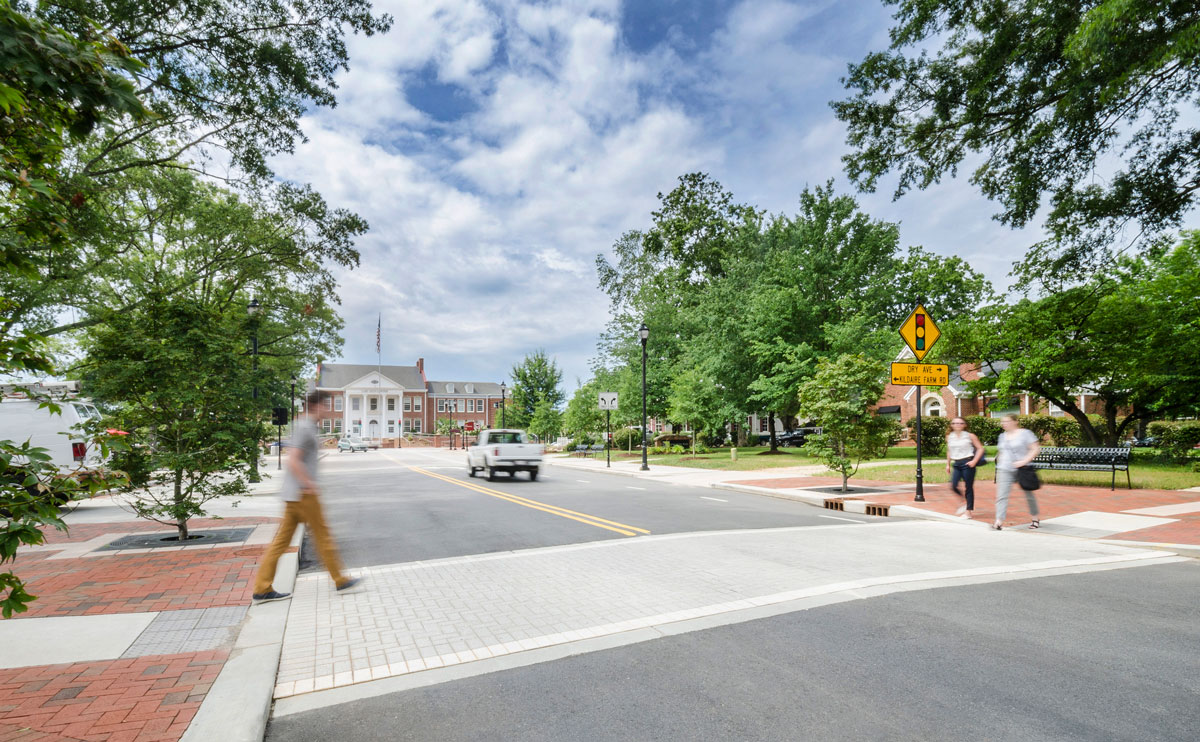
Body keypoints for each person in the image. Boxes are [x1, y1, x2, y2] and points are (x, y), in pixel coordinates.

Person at [252, 389, 361, 603]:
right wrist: (309, 484)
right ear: (315, 406)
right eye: (325, 406)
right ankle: (339, 579)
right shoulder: (304, 426)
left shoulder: (307, 426)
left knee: (282, 543)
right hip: (303, 494)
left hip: (294, 494)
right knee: (323, 535)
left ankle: (262, 587)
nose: (328, 410)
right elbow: (293, 459)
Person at [992, 413, 1041, 531]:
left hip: (1022, 468)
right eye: (1002, 422)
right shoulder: (1002, 436)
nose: (1004, 424)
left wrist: (1024, 461)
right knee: (1001, 495)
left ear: (1015, 422)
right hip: (1004, 469)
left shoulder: (1025, 434)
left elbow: (1035, 449)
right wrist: (998, 466)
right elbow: (1001, 452)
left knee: (1029, 494)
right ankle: (999, 521)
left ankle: (1035, 518)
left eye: (1007, 421)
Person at [945, 417, 983, 519]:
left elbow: (980, 448)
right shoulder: (949, 437)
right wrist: (948, 464)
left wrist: (974, 461)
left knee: (968, 488)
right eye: (955, 423)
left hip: (968, 463)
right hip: (956, 463)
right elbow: (949, 450)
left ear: (964, 425)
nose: (958, 425)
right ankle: (963, 502)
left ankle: (968, 512)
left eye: (960, 423)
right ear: (951, 425)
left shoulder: (970, 436)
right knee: (953, 485)